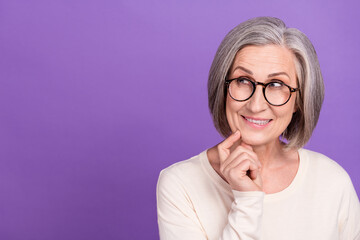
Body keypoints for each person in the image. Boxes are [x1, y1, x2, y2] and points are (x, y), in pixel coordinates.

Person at [156, 17, 360, 240]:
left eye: (276, 85)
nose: (256, 105)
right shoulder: (180, 184)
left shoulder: (332, 181)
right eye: (243, 80)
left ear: (299, 102)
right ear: (223, 89)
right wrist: (247, 202)